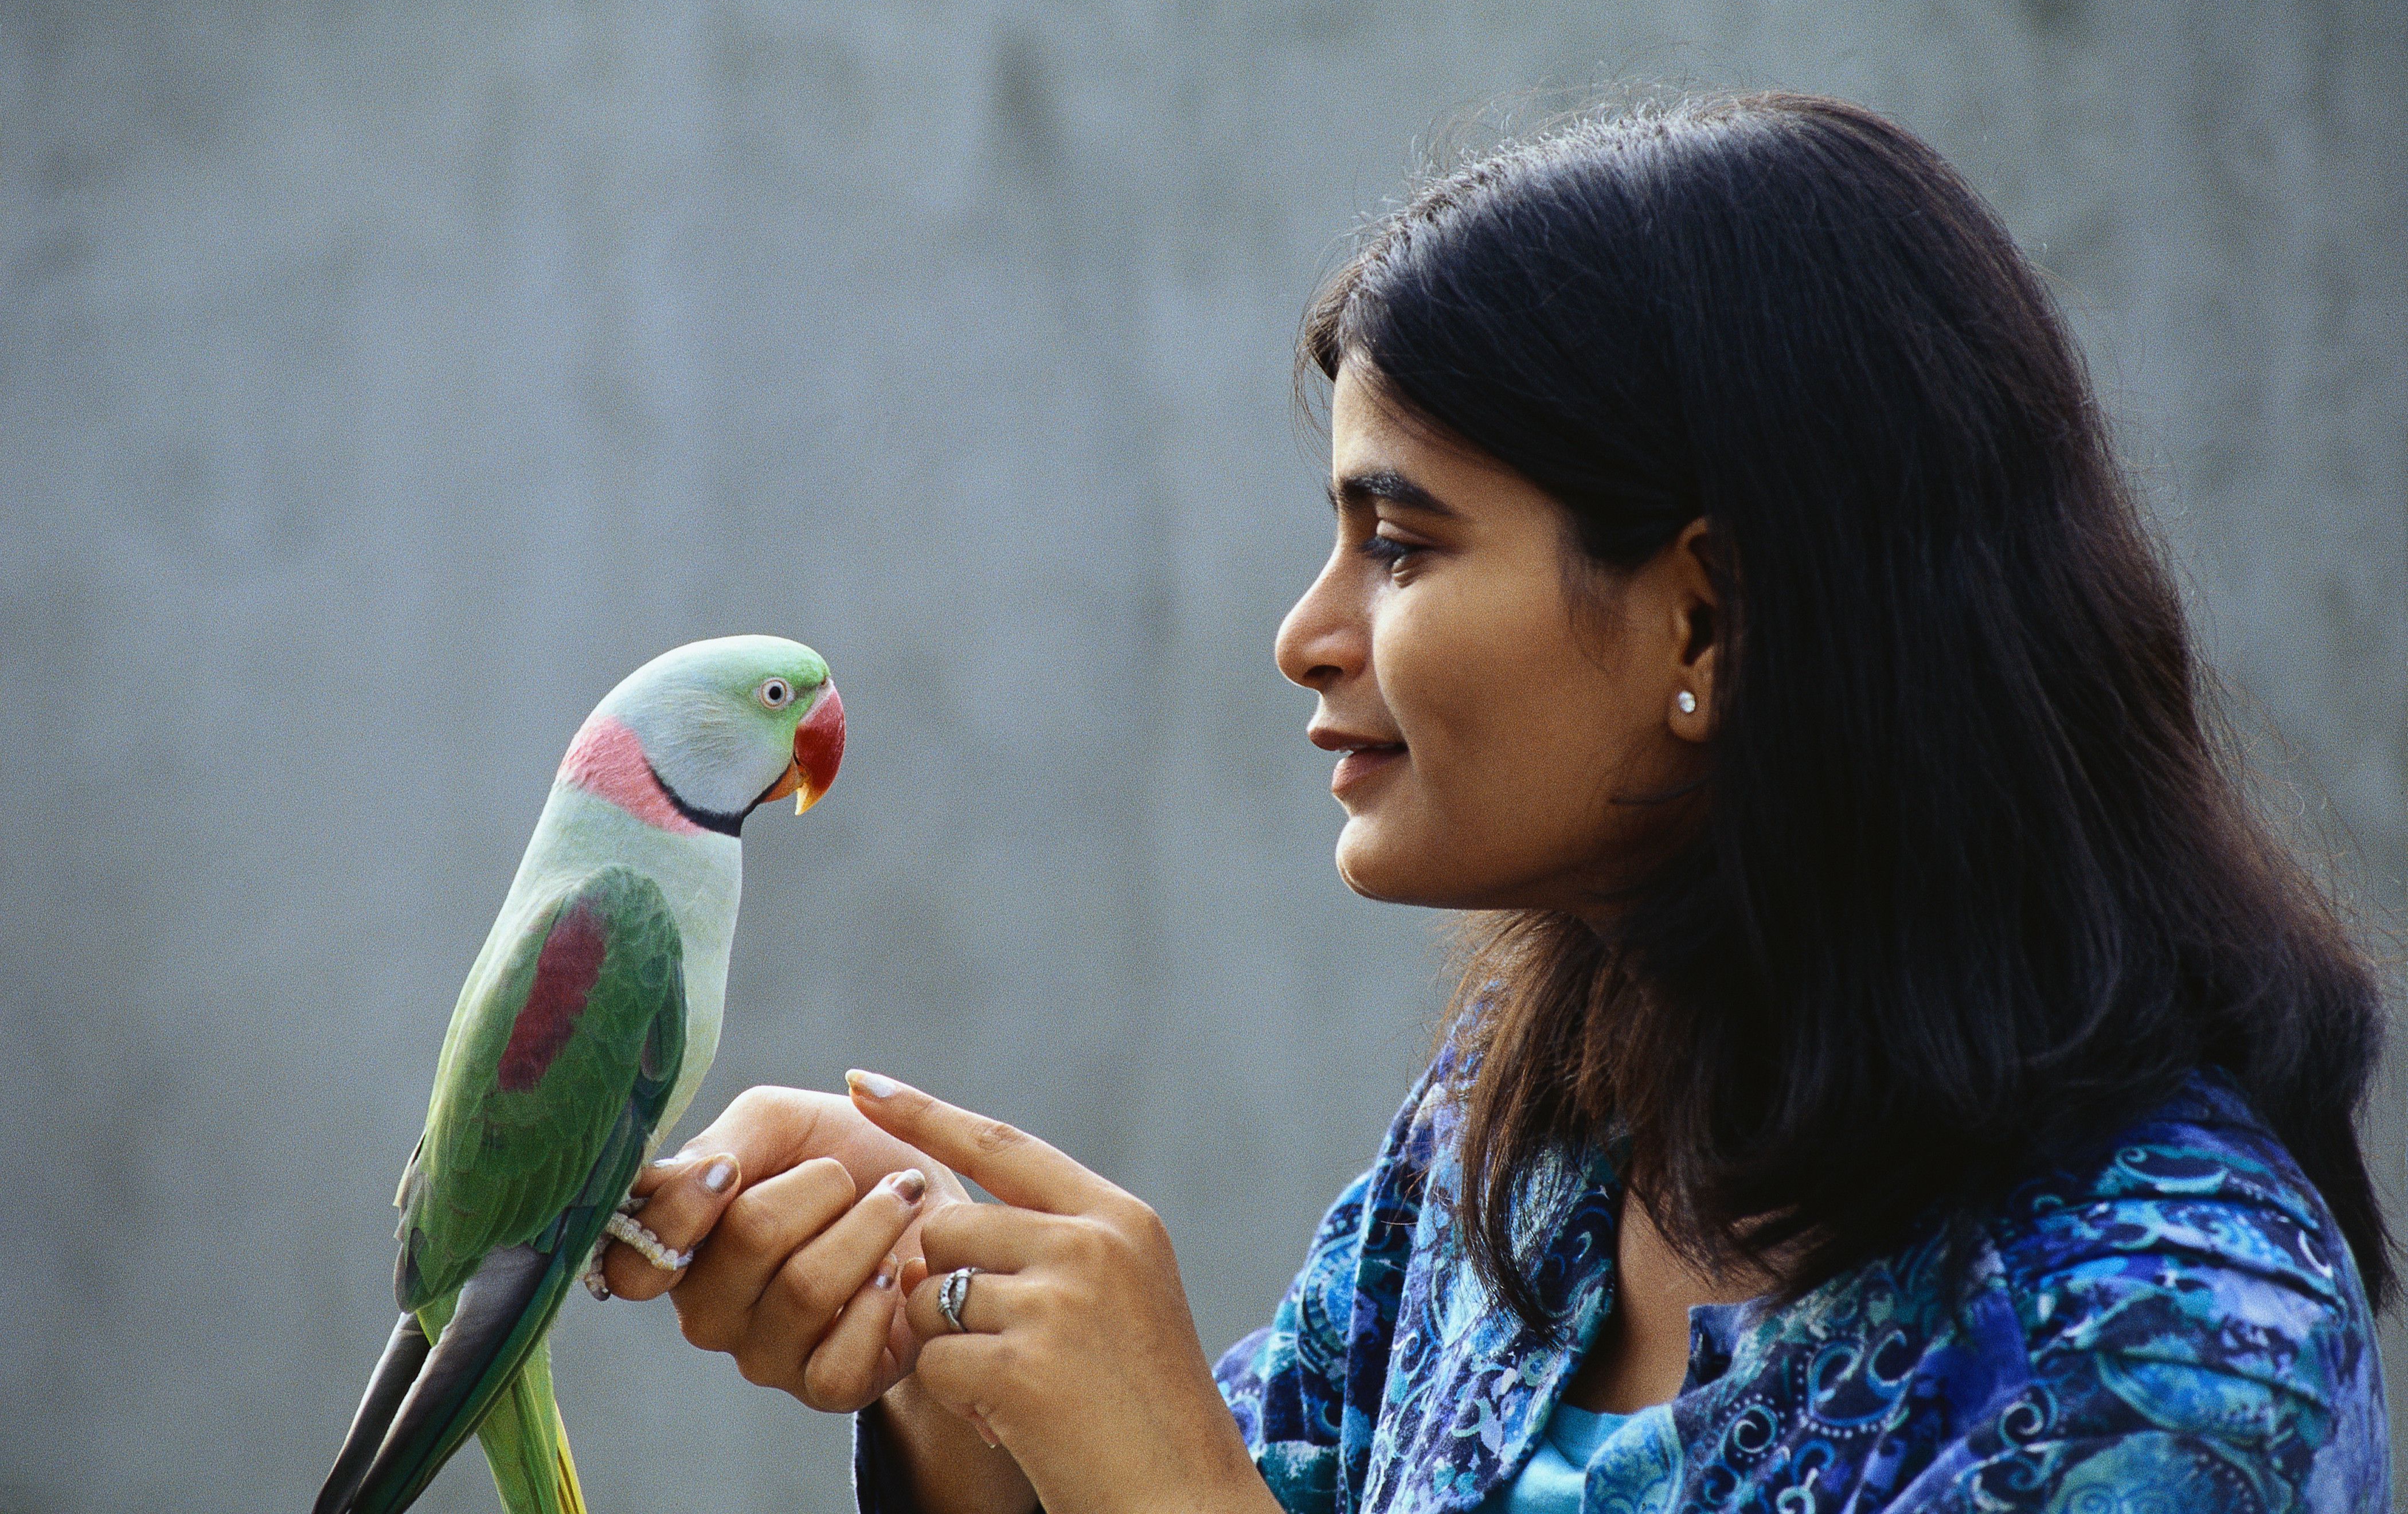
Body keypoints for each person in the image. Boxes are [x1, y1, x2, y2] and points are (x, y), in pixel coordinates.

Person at [595, 93, 2393, 1512]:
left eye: (1400, 541)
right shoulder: (1526, 1143)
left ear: (1708, 611)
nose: (1306, 635)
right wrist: (950, 1356)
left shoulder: (2171, 1337)